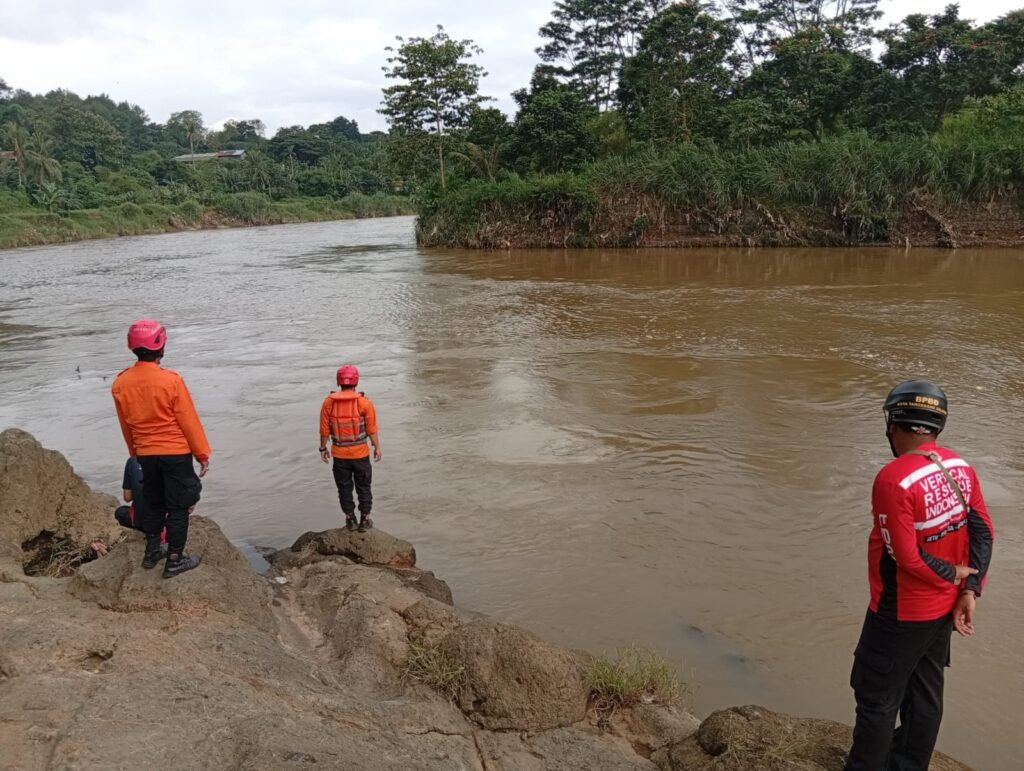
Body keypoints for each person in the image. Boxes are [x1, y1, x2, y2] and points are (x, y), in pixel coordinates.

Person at [844, 380, 995, 771]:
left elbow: (907, 559)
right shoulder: (960, 466)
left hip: (899, 612)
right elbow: (984, 531)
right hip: (943, 608)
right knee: (925, 693)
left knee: (876, 698)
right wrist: (970, 589)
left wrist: (954, 572)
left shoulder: (893, 479)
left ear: (893, 423)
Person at [111, 319, 211, 578]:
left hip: (145, 453)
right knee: (179, 507)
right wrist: (202, 454)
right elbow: (188, 421)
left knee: (154, 502)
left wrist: (135, 452)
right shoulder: (171, 381)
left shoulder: (120, 383)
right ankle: (175, 560)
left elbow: (125, 425)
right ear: (161, 346)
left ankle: (153, 551)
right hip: (175, 453)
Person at [319, 364, 381, 532]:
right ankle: (365, 520)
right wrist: (377, 447)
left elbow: (324, 430)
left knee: (344, 488)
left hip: (340, 456)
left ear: (339, 381)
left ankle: (350, 519)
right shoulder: (364, 403)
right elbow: (371, 429)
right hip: (360, 454)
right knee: (364, 487)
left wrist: (323, 448)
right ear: (356, 381)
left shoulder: (328, 403)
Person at [114, 456, 167, 546]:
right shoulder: (170, 459)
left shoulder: (132, 461)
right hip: (163, 519)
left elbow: (127, 497)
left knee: (120, 512)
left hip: (140, 520)